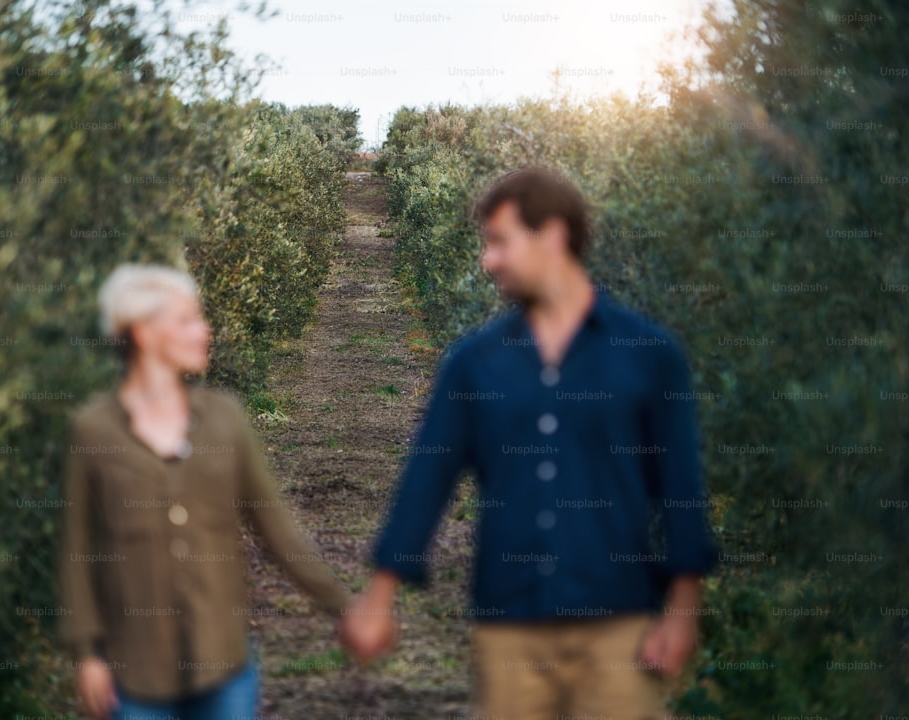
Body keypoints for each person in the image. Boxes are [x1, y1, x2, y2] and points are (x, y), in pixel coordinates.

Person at [340, 167, 720, 719]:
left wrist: (683, 614)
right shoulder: (474, 364)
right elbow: (428, 477)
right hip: (508, 629)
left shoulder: (648, 356)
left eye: (500, 241)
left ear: (553, 235)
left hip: (619, 627)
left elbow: (681, 489)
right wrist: (379, 596)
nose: (487, 260)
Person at [58, 263, 353, 720]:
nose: (205, 330)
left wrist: (344, 608)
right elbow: (77, 550)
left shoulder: (225, 420)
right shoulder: (93, 431)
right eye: (187, 320)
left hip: (223, 668)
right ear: (143, 333)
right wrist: (86, 654)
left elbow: (276, 528)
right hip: (134, 676)